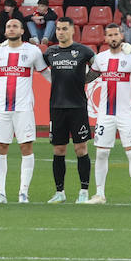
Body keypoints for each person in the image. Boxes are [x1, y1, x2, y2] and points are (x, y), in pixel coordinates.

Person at [87, 23, 131, 205]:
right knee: (101, 154)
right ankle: (99, 194)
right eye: (110, 35)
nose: (113, 38)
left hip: (126, 114)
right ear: (105, 39)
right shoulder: (100, 58)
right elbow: (89, 78)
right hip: (105, 115)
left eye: (116, 34)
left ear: (121, 36)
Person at [0, 18, 47, 204]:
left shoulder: (33, 51)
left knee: (26, 147)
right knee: (1, 147)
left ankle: (23, 193)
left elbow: (46, 73)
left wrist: (68, 83)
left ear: (22, 31)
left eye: (15, 26)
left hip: (24, 108)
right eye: (8, 26)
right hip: (2, 108)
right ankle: (1, 193)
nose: (11, 29)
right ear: (5, 31)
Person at [42, 19, 96, 203]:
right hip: (57, 106)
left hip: (78, 106)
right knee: (58, 149)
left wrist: (85, 80)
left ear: (72, 31)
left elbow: (99, 66)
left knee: (81, 149)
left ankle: (83, 192)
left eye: (64, 29)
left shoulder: (84, 51)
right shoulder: (50, 52)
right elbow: (38, 66)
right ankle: (60, 192)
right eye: (58, 29)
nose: (60, 32)